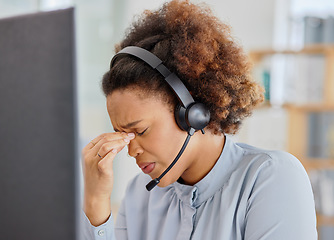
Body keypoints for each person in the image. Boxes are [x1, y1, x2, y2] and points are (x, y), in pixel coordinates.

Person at [81, 0, 318, 239]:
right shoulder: (140, 196)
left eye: (140, 131)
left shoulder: (270, 178)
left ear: (191, 112)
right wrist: (96, 203)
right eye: (123, 135)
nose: (131, 151)